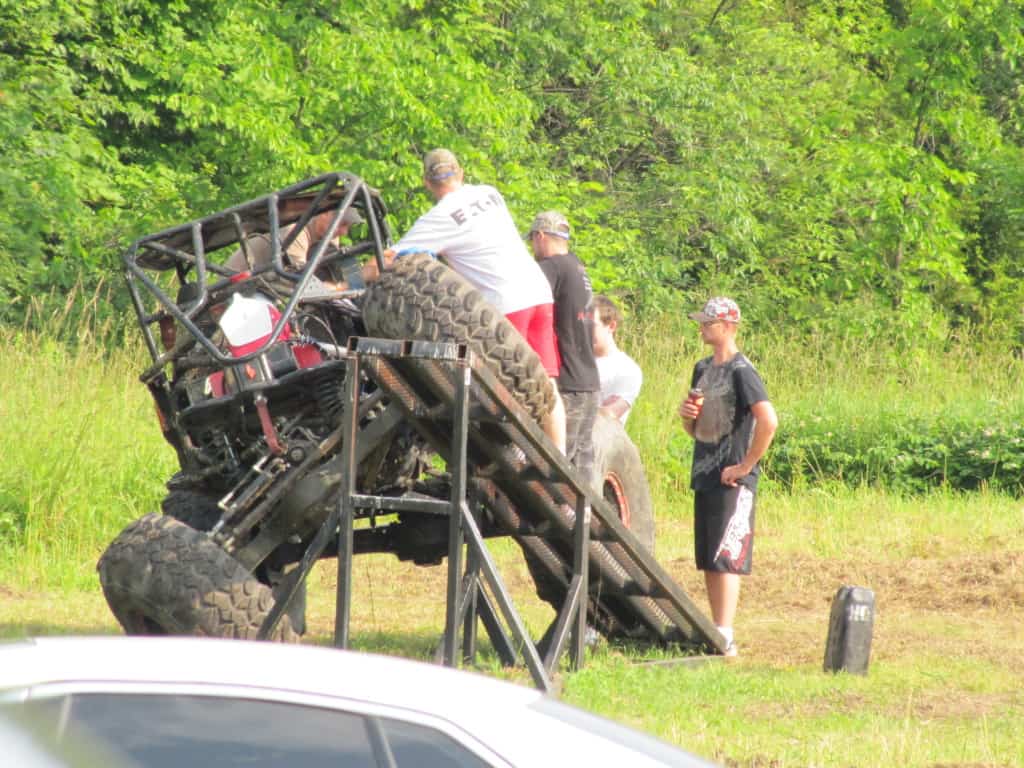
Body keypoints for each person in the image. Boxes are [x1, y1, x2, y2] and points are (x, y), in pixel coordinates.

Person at [381, 149, 567, 452]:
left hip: (505, 302)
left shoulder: (439, 217)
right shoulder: (489, 193)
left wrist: (344, 283)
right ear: (461, 172)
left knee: (507, 389)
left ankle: (519, 456)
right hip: (538, 292)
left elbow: (389, 260)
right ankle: (559, 460)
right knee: (546, 383)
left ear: (427, 182)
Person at [678, 297, 778, 658]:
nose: (702, 328)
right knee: (708, 557)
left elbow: (768, 421)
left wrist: (746, 466)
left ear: (729, 326)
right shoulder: (702, 367)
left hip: (732, 476)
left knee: (726, 556)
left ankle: (726, 634)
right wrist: (686, 416)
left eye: (709, 322)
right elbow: (696, 429)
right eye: (702, 322)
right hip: (705, 469)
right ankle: (716, 630)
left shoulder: (742, 370)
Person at [527, 210, 600, 485]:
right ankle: (584, 512)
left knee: (553, 471)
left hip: (566, 385)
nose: (533, 248)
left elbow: (522, 304)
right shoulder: (578, 268)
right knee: (581, 469)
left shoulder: (551, 268)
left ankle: (555, 513)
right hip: (589, 383)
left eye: (532, 241)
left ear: (540, 236)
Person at [225, 206, 367, 291]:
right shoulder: (295, 230)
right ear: (325, 213)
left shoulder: (328, 238)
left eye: (348, 226)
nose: (344, 232)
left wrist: (361, 276)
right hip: (231, 292)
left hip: (258, 290)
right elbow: (305, 286)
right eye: (342, 224)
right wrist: (342, 287)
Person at [591, 295, 643, 425]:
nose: (585, 332)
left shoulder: (627, 369)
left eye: (592, 326)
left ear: (611, 326)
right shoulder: (572, 361)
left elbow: (610, 415)